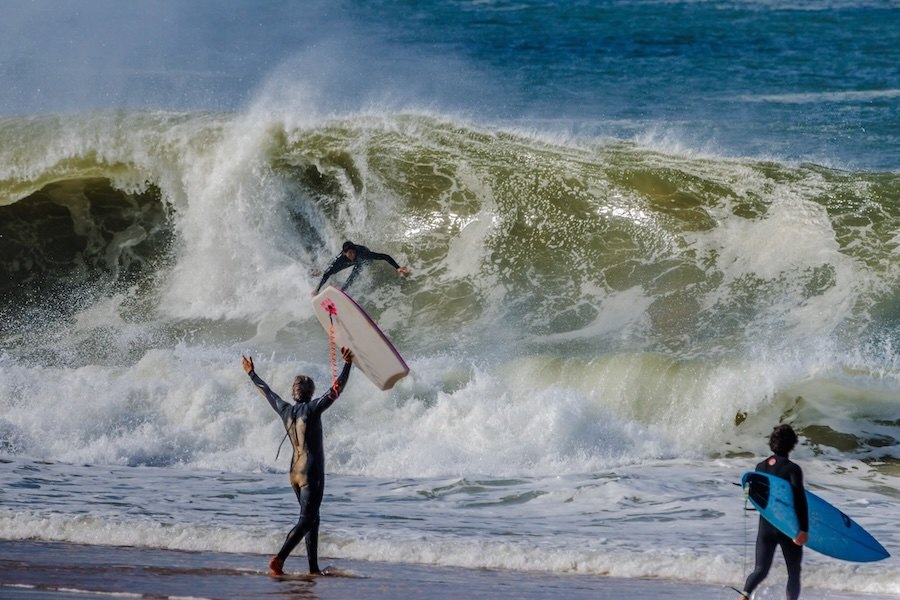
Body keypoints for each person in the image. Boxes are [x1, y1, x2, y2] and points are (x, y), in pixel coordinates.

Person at [241, 347, 354, 575]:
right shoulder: (312, 409)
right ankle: (279, 559)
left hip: (294, 472)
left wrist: (252, 373)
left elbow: (268, 393)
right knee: (306, 519)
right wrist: (348, 364)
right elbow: (335, 390)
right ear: (310, 393)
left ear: (294, 393)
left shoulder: (285, 409)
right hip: (311, 472)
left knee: (313, 518)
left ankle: (313, 568)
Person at [738, 424, 809, 600]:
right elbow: (799, 499)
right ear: (792, 444)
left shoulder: (760, 467)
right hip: (787, 527)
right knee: (793, 572)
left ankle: (743, 596)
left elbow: (758, 498)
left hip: (766, 527)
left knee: (760, 570)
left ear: (772, 443)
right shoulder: (793, 469)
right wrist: (803, 529)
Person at [314, 240, 410, 294]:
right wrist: (316, 290)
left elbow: (384, 256)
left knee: (353, 275)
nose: (352, 254)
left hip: (364, 260)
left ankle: (342, 292)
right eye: (349, 253)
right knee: (329, 271)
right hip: (347, 260)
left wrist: (398, 267)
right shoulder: (341, 258)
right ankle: (319, 277)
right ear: (344, 253)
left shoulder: (362, 254)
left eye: (353, 252)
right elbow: (327, 273)